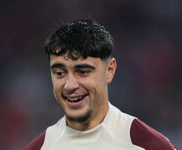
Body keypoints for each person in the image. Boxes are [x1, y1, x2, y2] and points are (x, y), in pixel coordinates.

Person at [23, 19, 177, 150]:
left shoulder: (147, 145)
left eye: (83, 72)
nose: (69, 85)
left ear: (109, 70)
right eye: (59, 73)